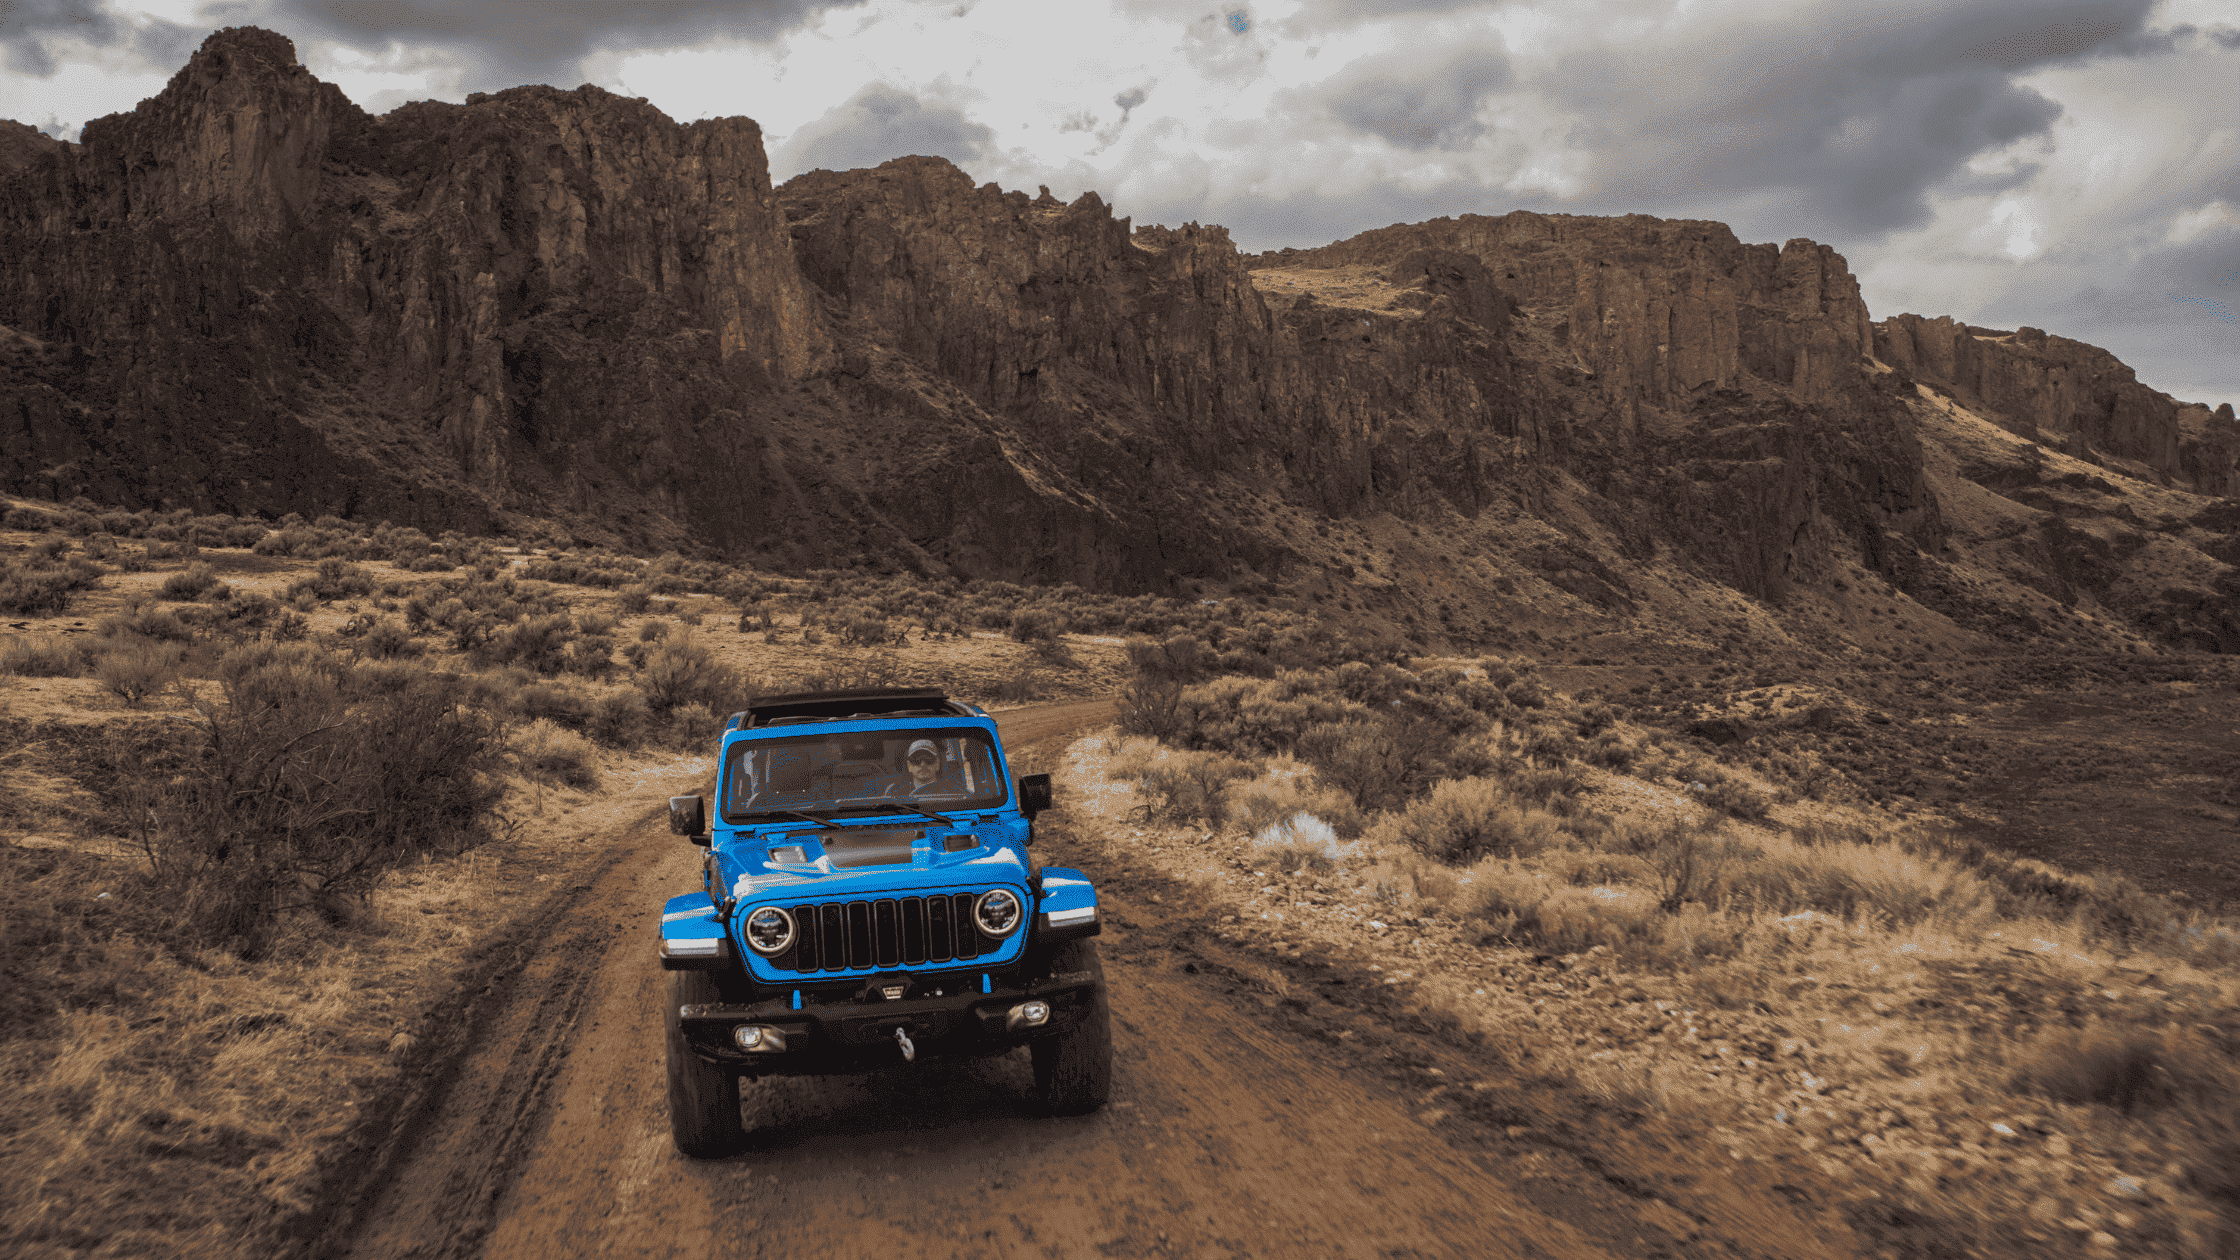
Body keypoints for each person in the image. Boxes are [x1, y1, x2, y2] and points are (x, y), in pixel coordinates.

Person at [884, 738, 959, 798]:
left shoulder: (954, 792)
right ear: (909, 766)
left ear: (937, 764)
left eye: (929, 759)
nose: (923, 764)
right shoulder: (895, 794)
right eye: (916, 760)